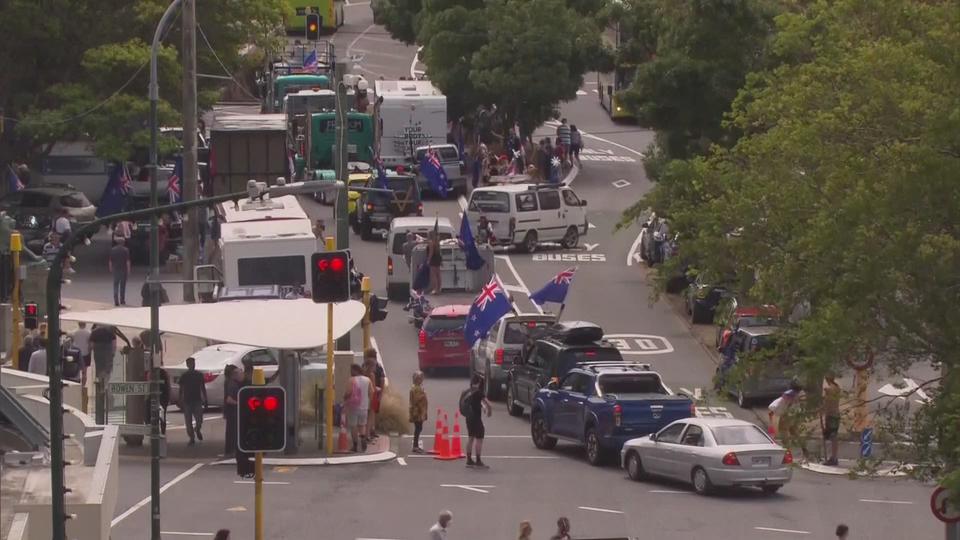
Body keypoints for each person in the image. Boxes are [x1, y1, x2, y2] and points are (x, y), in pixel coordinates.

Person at [768, 381, 807, 459]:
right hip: (794, 415)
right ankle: (804, 449)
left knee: (784, 435)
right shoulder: (799, 394)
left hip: (786, 416)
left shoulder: (788, 394)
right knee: (795, 432)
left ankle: (788, 454)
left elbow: (780, 405)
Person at [463, 374, 491, 468]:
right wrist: (489, 410)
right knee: (479, 438)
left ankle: (469, 460)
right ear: (479, 383)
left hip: (468, 417)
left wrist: (482, 407)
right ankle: (478, 460)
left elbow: (475, 402)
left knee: (470, 437)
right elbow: (487, 403)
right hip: (476, 418)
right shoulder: (478, 392)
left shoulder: (467, 392)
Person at [178, 357, 208, 446]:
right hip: (187, 400)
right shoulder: (184, 375)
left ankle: (197, 429)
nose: (192, 365)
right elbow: (181, 389)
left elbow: (202, 387)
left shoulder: (199, 375)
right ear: (187, 365)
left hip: (197, 400)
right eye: (190, 363)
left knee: (199, 420)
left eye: (193, 363)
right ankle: (191, 437)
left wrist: (205, 399)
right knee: (188, 421)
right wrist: (180, 399)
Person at [344, 364, 372, 452]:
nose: (350, 372)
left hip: (353, 406)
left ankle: (355, 445)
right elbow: (371, 392)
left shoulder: (351, 380)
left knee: (354, 426)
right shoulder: (368, 380)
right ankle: (363, 438)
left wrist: (344, 397)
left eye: (351, 370)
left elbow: (348, 392)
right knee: (362, 425)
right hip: (364, 406)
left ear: (355, 371)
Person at [363, 349, 385, 440]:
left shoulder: (363, 367)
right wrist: (379, 392)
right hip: (373, 396)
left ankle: (369, 432)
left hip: (365, 396)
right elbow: (381, 381)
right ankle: (369, 433)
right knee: (371, 415)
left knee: (367, 415)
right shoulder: (374, 371)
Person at [822, 373, 842, 466]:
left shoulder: (830, 389)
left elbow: (827, 402)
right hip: (833, 414)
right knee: (831, 437)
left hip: (832, 415)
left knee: (833, 437)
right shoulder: (836, 387)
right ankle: (833, 457)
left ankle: (833, 458)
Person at [223, 364, 242, 457]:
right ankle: (232, 451)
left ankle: (229, 450)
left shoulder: (229, 382)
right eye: (239, 372)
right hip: (233, 412)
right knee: (233, 431)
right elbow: (229, 399)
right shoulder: (232, 384)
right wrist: (240, 404)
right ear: (234, 374)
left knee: (231, 431)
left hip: (230, 411)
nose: (241, 374)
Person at [148, 366, 171, 434]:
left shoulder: (151, 373)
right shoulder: (164, 373)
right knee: (162, 415)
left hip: (154, 397)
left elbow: (149, 385)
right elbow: (168, 386)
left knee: (153, 414)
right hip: (163, 397)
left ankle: (155, 431)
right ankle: (162, 431)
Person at [409, 370, 428, 453]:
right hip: (417, 412)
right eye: (420, 378)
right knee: (418, 428)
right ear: (416, 379)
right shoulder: (416, 388)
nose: (421, 380)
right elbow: (416, 400)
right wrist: (423, 395)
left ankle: (416, 445)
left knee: (419, 428)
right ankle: (415, 446)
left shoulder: (418, 388)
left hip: (419, 411)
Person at [108, 237, 131, 306]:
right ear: (123, 242)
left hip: (116, 269)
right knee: (122, 286)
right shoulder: (126, 250)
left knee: (115, 285)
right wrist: (128, 270)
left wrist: (111, 268)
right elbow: (127, 261)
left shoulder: (113, 250)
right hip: (123, 270)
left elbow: (110, 261)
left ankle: (116, 300)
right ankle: (122, 300)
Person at [427, 230, 442, 295]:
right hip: (437, 258)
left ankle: (435, 289)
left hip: (433, 259)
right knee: (438, 274)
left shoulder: (430, 242)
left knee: (433, 275)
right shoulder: (437, 242)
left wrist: (428, 260)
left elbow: (431, 252)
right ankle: (439, 288)